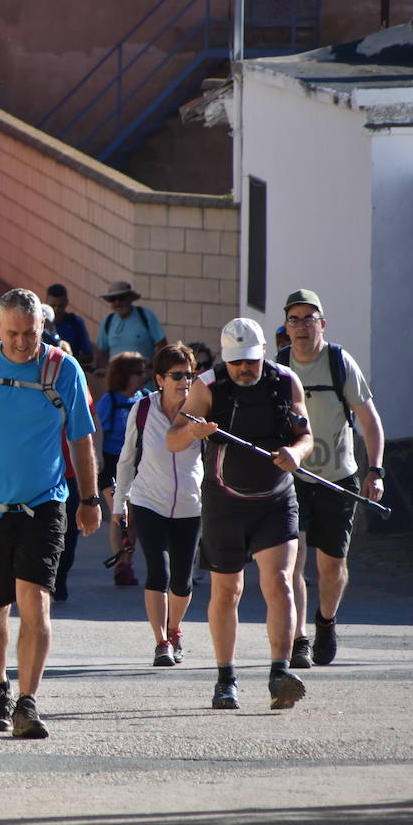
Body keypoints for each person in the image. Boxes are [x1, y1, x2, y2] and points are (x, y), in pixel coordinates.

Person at [0, 289, 101, 739]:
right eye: (12, 333)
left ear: (42, 328)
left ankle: (28, 702)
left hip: (45, 503)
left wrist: (89, 500)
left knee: (36, 601)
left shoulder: (62, 368)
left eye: (30, 333)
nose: (22, 343)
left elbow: (81, 438)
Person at [167, 317, 314, 712]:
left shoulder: (285, 382)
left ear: (263, 352)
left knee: (280, 580)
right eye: (236, 362)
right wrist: (193, 433)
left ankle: (279, 673)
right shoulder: (208, 387)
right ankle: (225, 677)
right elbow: (173, 437)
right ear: (225, 360)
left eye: (250, 360)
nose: (244, 369)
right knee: (227, 590)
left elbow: (305, 435)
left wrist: (295, 454)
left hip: (276, 499)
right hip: (225, 503)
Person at [276, 289, 384, 668]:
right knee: (293, 559)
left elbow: (370, 421)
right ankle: (299, 637)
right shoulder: (279, 368)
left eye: (309, 319)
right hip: (293, 478)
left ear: (321, 324)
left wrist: (376, 470)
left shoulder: (339, 363)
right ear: (286, 327)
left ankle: (325, 621)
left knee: (331, 564)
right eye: (294, 319)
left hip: (338, 478)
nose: (302, 327)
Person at [112, 344, 203, 666]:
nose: (185, 382)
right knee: (158, 571)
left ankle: (175, 628)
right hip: (149, 501)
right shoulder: (143, 410)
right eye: (177, 375)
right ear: (160, 378)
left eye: (190, 375)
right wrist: (119, 504)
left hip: (190, 504)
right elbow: (126, 459)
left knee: (182, 580)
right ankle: (161, 641)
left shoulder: (200, 409)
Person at [96, 351, 148, 585]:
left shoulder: (145, 398)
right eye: (138, 373)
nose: (143, 376)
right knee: (120, 514)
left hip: (139, 464)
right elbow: (96, 430)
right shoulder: (110, 401)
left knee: (134, 517)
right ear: (124, 376)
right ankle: (120, 563)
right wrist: (96, 461)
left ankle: (128, 562)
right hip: (112, 464)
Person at [94, 280, 167, 378]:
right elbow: (101, 353)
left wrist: (152, 370)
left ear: (130, 298)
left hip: (144, 383)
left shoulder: (145, 316)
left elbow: (163, 346)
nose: (117, 302)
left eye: (121, 298)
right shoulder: (107, 322)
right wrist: (103, 369)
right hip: (117, 384)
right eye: (113, 299)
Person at [43, 283, 92, 366]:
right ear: (46, 303)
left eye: (60, 306)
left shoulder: (75, 323)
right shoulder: (38, 324)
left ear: (66, 303)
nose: (56, 310)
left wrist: (68, 358)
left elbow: (89, 356)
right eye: (53, 305)